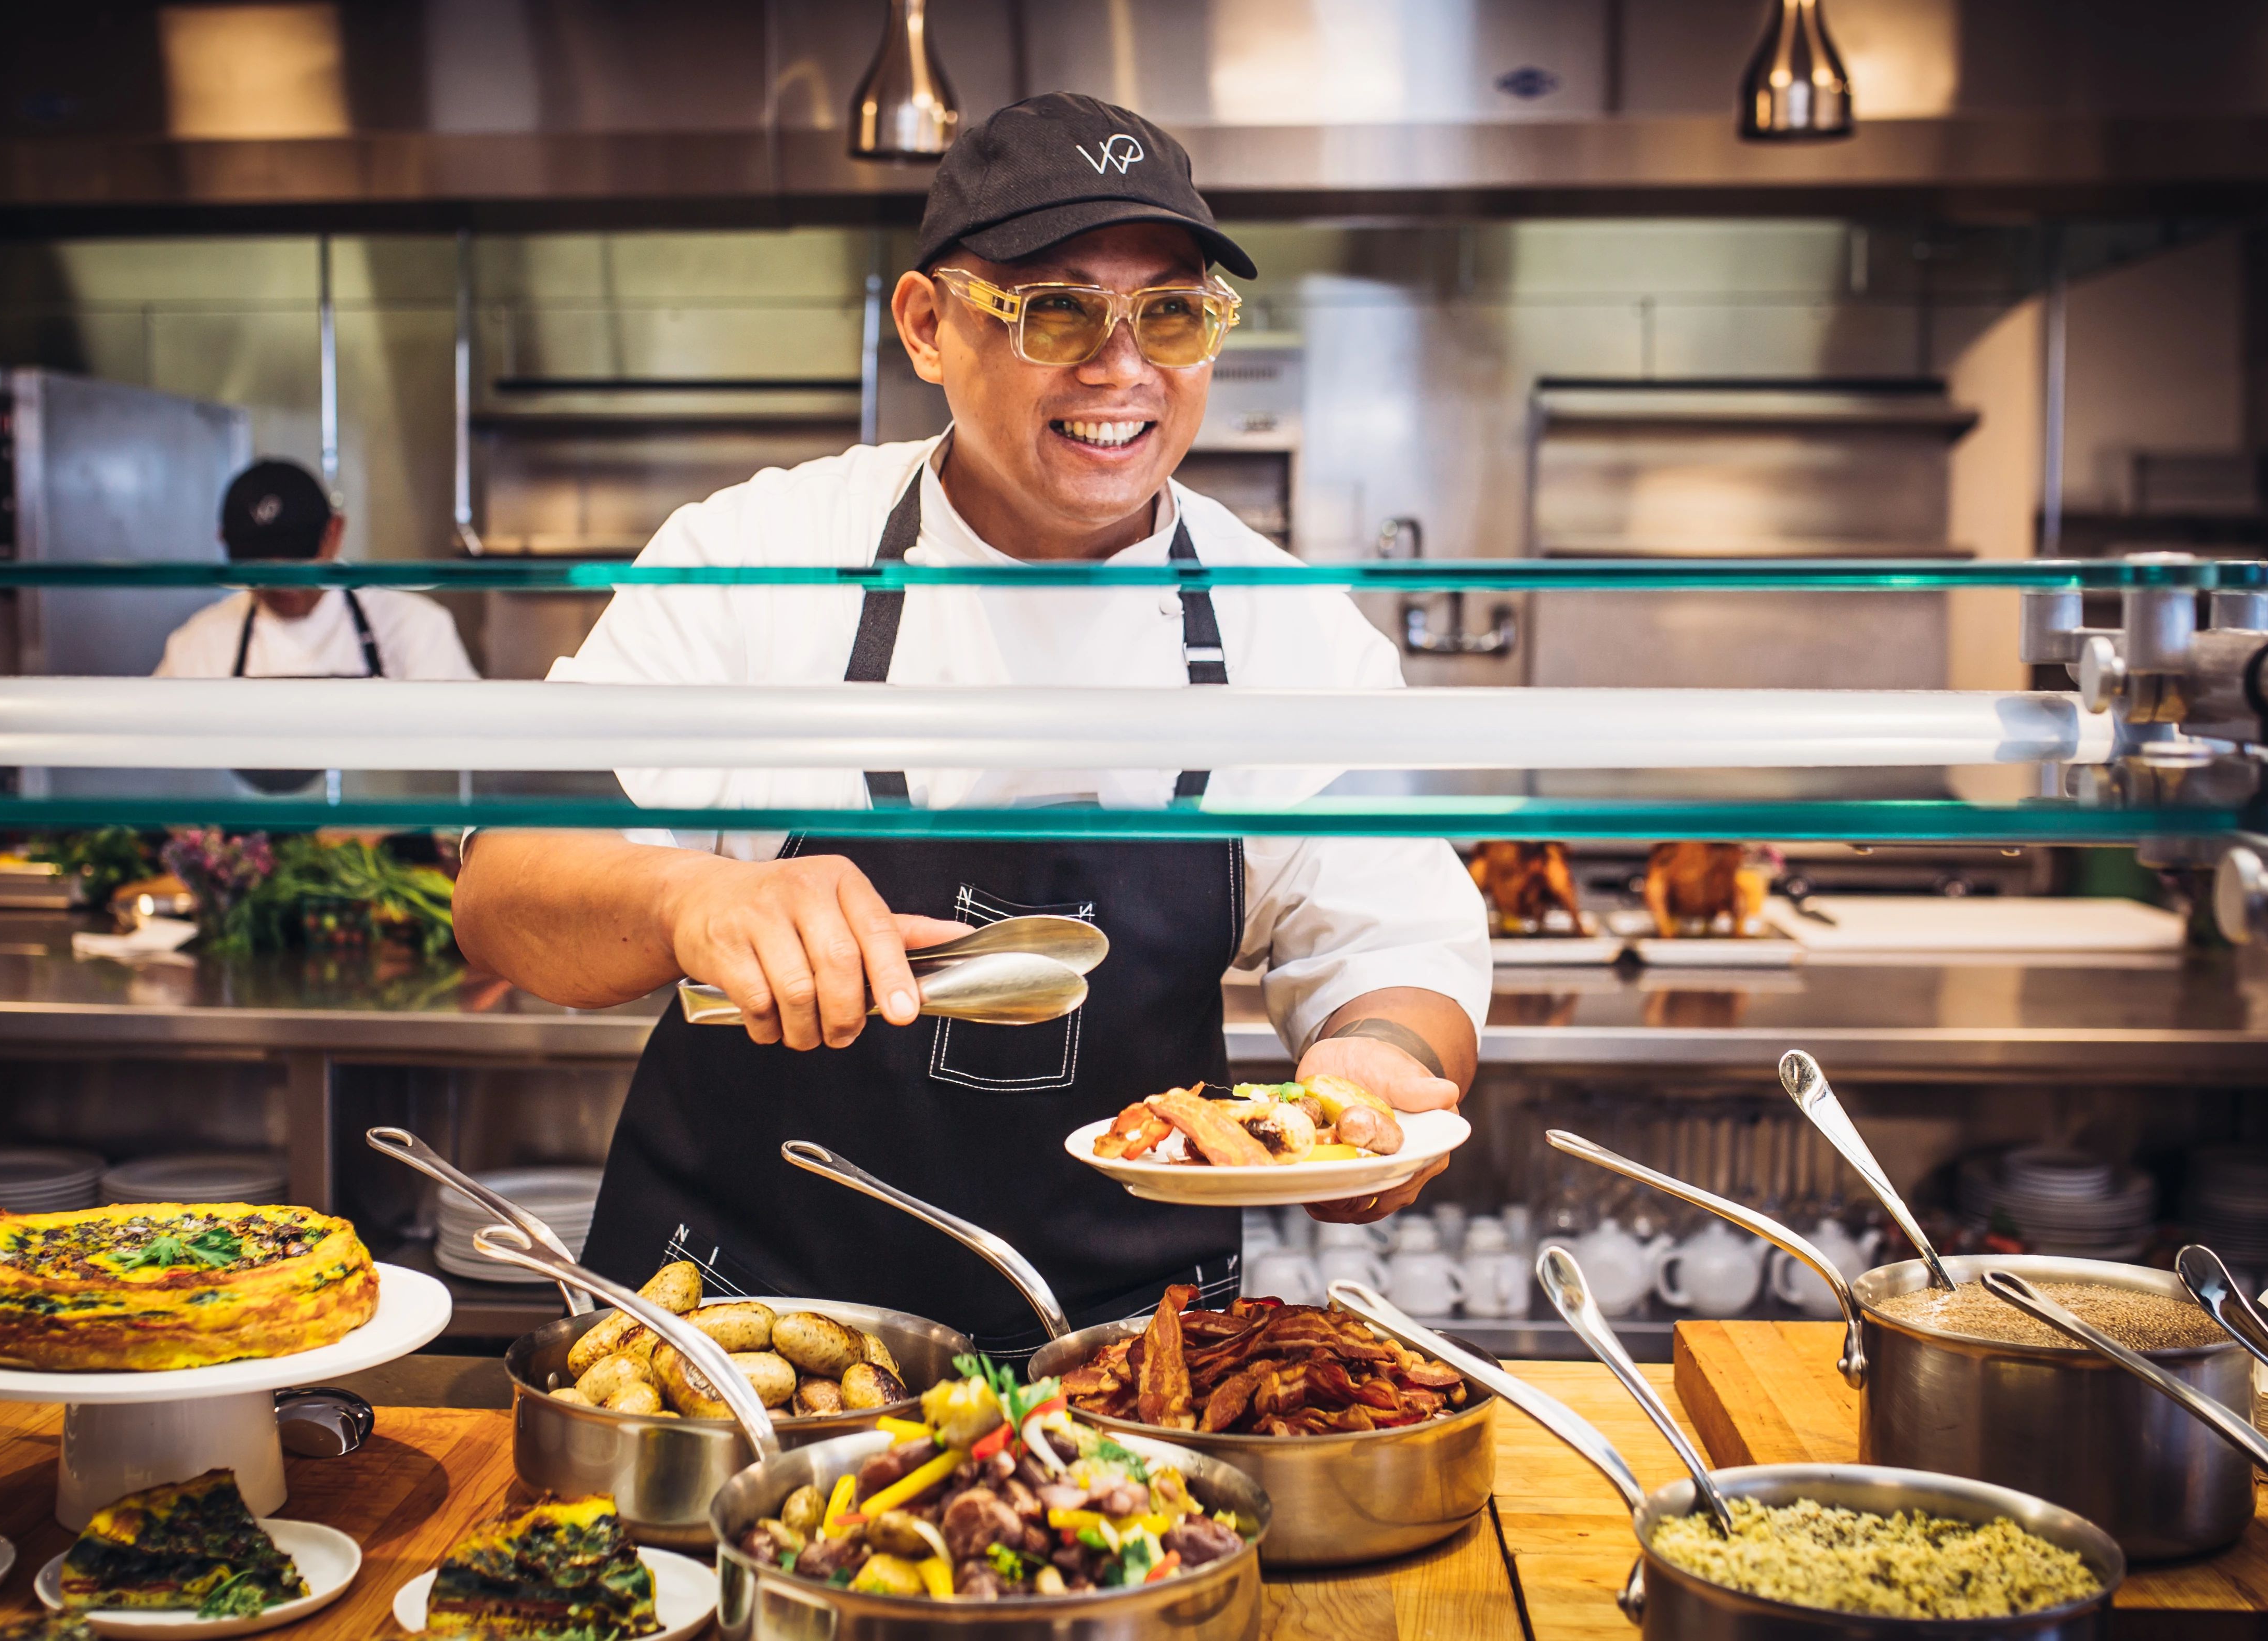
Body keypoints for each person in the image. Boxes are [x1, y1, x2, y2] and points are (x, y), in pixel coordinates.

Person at [453, 93, 1493, 1355]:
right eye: (1057, 310)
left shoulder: (1289, 626)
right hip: (752, 1342)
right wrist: (689, 902)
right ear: (927, 325)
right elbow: (504, 892)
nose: (1122, 370)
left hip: (1126, 1357)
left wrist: (1376, 1057)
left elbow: (1397, 939)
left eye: (1169, 313)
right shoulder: (757, 556)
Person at [153, 458, 478, 682]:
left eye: (297, 554)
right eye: (258, 560)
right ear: (225, 545)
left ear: (334, 534)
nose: (280, 578)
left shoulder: (415, 629)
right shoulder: (199, 644)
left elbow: (465, 746)